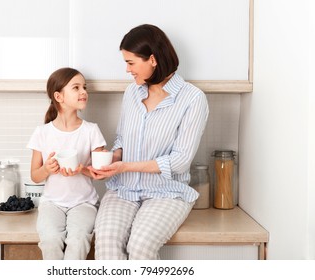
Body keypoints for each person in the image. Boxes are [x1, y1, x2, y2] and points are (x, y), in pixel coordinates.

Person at [88, 24, 209, 260]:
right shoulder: (131, 93)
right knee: (106, 242)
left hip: (166, 192)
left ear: (152, 59)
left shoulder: (193, 99)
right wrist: (111, 161)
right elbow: (123, 139)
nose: (126, 69)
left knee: (140, 246)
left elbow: (180, 161)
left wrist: (125, 166)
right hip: (123, 189)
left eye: (131, 63)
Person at [27, 67, 107, 260]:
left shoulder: (91, 131)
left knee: (78, 240)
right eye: (76, 87)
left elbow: (102, 171)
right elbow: (35, 176)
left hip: (84, 203)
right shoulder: (42, 132)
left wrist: (82, 169)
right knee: (50, 241)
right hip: (52, 204)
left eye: (84, 87)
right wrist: (47, 169)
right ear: (59, 96)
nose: (84, 92)